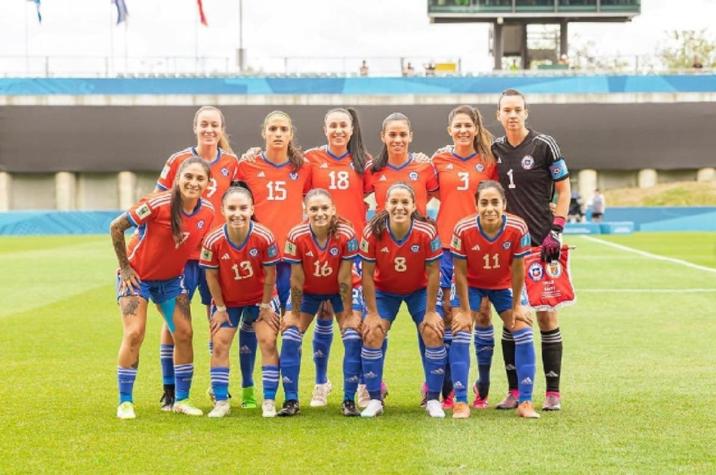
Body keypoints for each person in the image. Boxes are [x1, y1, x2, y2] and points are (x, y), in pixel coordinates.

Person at [152, 106, 256, 411]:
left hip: (218, 256)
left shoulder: (231, 163)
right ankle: (170, 390)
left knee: (218, 318)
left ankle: (216, 385)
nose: (209, 130)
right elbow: (159, 199)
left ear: (222, 129)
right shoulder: (178, 160)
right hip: (183, 256)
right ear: (195, 127)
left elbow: (241, 198)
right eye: (204, 124)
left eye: (215, 125)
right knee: (175, 322)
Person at [111, 157, 214, 419]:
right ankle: (125, 402)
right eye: (188, 177)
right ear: (178, 178)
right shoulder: (156, 204)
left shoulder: (208, 212)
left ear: (208, 184)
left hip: (170, 281)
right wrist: (125, 267)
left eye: (199, 178)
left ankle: (181, 399)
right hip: (138, 278)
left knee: (184, 332)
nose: (193, 182)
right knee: (135, 333)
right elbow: (117, 226)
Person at [491, 88, 571, 411]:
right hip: (506, 248)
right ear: (498, 115)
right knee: (511, 317)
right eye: (506, 110)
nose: (512, 115)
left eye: (517, 110)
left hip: (542, 244)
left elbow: (564, 191)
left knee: (546, 317)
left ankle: (553, 392)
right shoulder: (492, 149)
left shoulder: (544, 145)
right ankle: (514, 391)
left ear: (526, 113)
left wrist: (556, 231)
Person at [450, 180, 539, 419]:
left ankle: (526, 401)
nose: (489, 208)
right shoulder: (463, 229)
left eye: (494, 203)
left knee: (523, 329)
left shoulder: (518, 227)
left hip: (504, 285)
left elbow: (519, 268)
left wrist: (518, 304)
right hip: (472, 285)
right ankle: (460, 402)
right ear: (476, 205)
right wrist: (466, 311)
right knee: (461, 329)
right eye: (484, 203)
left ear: (504, 204)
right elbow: (459, 272)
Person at [430, 105, 498, 408]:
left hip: (480, 247)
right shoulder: (438, 160)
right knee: (448, 314)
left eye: (467, 126)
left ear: (476, 128)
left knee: (482, 312)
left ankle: (482, 385)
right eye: (457, 126)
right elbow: (428, 192)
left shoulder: (488, 161)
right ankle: (447, 388)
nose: (462, 131)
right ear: (449, 130)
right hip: (446, 247)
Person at [358, 183, 445, 418]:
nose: (399, 207)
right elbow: (366, 275)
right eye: (394, 202)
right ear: (385, 205)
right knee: (372, 332)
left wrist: (430, 312)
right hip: (384, 291)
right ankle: (375, 399)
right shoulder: (372, 232)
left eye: (404, 202)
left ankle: (433, 399)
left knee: (433, 331)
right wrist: (373, 314)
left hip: (419, 290)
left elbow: (435, 272)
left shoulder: (426, 231)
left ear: (414, 205)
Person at [199, 185, 282, 418]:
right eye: (232, 208)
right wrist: (220, 308)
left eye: (243, 208)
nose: (238, 213)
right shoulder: (213, 240)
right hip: (228, 301)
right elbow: (211, 276)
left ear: (252, 209)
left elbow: (270, 275)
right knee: (220, 343)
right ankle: (221, 402)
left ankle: (268, 400)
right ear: (223, 210)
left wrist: (266, 307)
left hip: (260, 299)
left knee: (267, 341)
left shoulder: (264, 236)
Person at [278, 189, 361, 416]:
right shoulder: (296, 235)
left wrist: (349, 312)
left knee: (352, 336)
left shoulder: (346, 234)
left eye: (325, 208)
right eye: (314, 209)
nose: (320, 213)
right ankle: (291, 401)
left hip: (339, 291)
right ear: (306, 211)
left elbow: (345, 278)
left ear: (333, 210)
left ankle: (348, 400)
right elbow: (296, 278)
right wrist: (294, 313)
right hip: (308, 292)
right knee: (290, 336)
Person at [236, 110, 312, 315]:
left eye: (283, 129)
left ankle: (289, 349)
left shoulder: (304, 167)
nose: (278, 133)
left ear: (290, 135)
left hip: (291, 255)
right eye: (273, 129)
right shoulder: (246, 165)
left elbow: (313, 203)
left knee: (291, 316)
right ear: (264, 133)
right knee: (254, 317)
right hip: (257, 254)